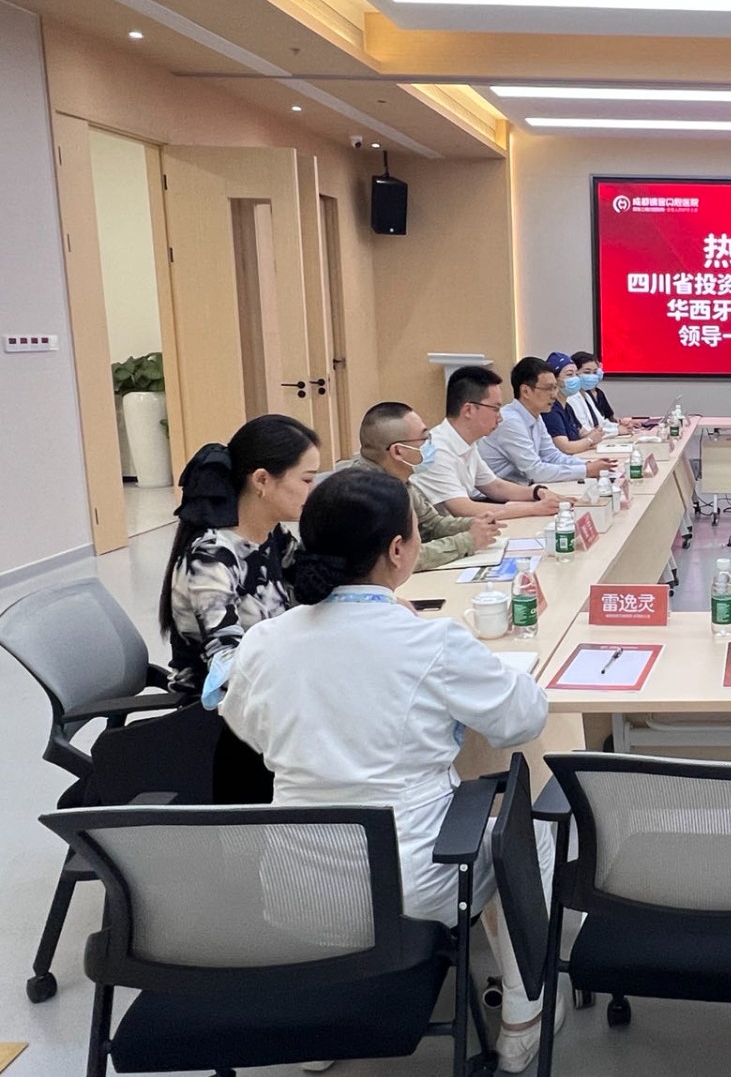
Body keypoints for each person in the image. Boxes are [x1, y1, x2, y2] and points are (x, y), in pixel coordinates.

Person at [220, 469, 558, 1070]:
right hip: (413, 884)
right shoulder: (430, 642)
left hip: (293, 882)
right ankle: (522, 1011)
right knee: (530, 831)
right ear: (398, 550)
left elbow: (246, 726)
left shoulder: (265, 640)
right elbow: (522, 719)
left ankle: (322, 1028)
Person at [159, 413, 320, 802]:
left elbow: (315, 583)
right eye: (306, 480)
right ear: (262, 480)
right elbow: (227, 667)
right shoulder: (212, 558)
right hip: (223, 725)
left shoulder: (271, 537)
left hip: (268, 699)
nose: (312, 492)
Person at [350, 401, 501, 570]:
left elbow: (431, 525)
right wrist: (467, 541)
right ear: (398, 451)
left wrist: (473, 524)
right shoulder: (365, 492)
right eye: (424, 439)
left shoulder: (397, 477)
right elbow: (397, 558)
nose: (431, 445)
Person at [409, 365, 561, 519]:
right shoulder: (437, 450)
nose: (500, 418)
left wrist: (537, 492)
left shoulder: (467, 442)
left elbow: (495, 486)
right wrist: (533, 508)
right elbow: (463, 508)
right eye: (495, 409)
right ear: (468, 410)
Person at [481, 357, 615, 485]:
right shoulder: (510, 421)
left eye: (555, 388)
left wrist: (587, 465)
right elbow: (535, 471)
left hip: (518, 486)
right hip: (492, 495)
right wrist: (586, 470)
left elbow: (552, 456)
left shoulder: (536, 415)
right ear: (525, 391)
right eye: (548, 388)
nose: (554, 394)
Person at [542, 352, 605, 455]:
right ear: (554, 379)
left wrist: (596, 433)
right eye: (569, 375)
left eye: (576, 374)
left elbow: (582, 433)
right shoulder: (550, 410)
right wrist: (590, 440)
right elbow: (566, 448)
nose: (575, 379)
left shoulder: (567, 407)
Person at [571, 351, 633, 432]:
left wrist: (619, 426)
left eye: (595, 372)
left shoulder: (587, 395)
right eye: (587, 372)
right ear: (575, 373)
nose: (592, 376)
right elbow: (585, 429)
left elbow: (600, 422)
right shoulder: (572, 398)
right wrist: (617, 430)